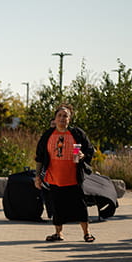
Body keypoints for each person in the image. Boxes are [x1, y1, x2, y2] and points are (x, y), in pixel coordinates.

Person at [34, 103, 96, 242]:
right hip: (54, 177)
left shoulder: (77, 134)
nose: (62, 118)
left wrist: (83, 156)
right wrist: (38, 176)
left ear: (70, 119)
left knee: (80, 206)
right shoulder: (48, 135)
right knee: (56, 206)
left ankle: (87, 233)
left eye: (65, 116)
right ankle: (58, 233)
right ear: (55, 119)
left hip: (73, 177)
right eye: (59, 115)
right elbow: (39, 157)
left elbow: (90, 150)